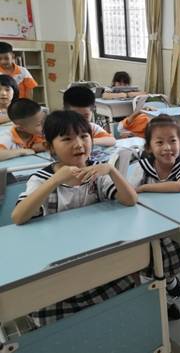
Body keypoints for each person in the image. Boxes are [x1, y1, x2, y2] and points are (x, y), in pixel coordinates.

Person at [11, 110, 138, 327]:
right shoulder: (40, 179)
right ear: (51, 147)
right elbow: (18, 217)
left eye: (84, 136)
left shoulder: (95, 173)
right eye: (67, 139)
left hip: (95, 256)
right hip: (56, 265)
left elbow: (130, 200)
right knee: (58, 318)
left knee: (123, 289)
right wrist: (55, 180)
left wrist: (111, 171)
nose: (78, 144)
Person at [129, 114, 180, 320]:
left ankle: (168, 290)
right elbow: (130, 194)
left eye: (172, 141)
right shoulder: (142, 167)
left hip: (177, 226)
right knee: (147, 261)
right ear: (149, 147)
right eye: (159, 142)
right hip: (148, 226)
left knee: (169, 258)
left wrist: (144, 188)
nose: (167, 147)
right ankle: (162, 294)